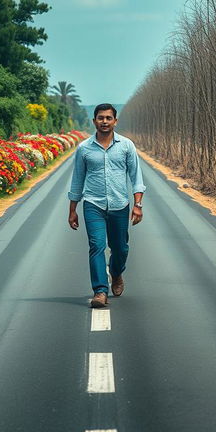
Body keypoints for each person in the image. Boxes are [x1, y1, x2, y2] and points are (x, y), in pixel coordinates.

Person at [68, 103, 146, 308]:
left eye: (108, 118)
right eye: (100, 118)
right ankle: (100, 291)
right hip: (93, 204)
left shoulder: (126, 146)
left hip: (120, 205)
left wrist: (138, 204)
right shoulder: (84, 148)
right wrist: (72, 210)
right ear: (94, 121)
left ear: (115, 121)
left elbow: (136, 177)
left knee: (120, 248)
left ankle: (117, 273)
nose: (104, 121)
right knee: (96, 246)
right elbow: (77, 180)